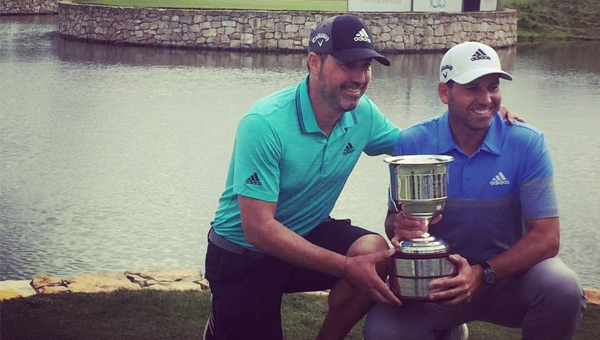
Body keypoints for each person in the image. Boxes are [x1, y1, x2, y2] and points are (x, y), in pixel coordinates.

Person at [362, 42, 587, 340]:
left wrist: (482, 273)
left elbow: (547, 238)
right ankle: (449, 330)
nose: (486, 98)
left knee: (562, 286)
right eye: (472, 88)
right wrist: (400, 225)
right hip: (437, 285)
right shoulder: (413, 143)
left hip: (509, 280)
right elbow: (393, 221)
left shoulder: (527, 142)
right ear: (445, 93)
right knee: (382, 332)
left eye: (493, 87)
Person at [203, 15, 402, 340]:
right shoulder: (264, 123)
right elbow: (259, 230)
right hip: (242, 254)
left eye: (366, 65)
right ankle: (222, 318)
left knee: (372, 251)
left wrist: (492, 120)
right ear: (314, 62)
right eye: (348, 64)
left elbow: (420, 145)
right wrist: (343, 267)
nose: (360, 77)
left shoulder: (363, 113)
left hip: (304, 235)